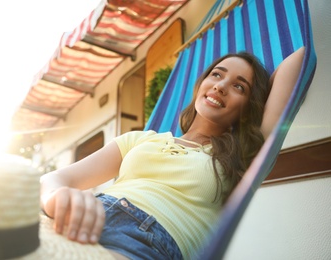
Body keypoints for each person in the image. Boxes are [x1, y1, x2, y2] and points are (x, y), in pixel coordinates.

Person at [40, 47, 305, 260]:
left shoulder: (242, 156)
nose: (221, 86)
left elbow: (299, 59)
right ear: (201, 83)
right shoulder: (141, 139)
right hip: (88, 216)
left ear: (249, 107)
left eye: (239, 87)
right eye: (216, 74)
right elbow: (53, 180)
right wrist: (56, 196)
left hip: (146, 242)